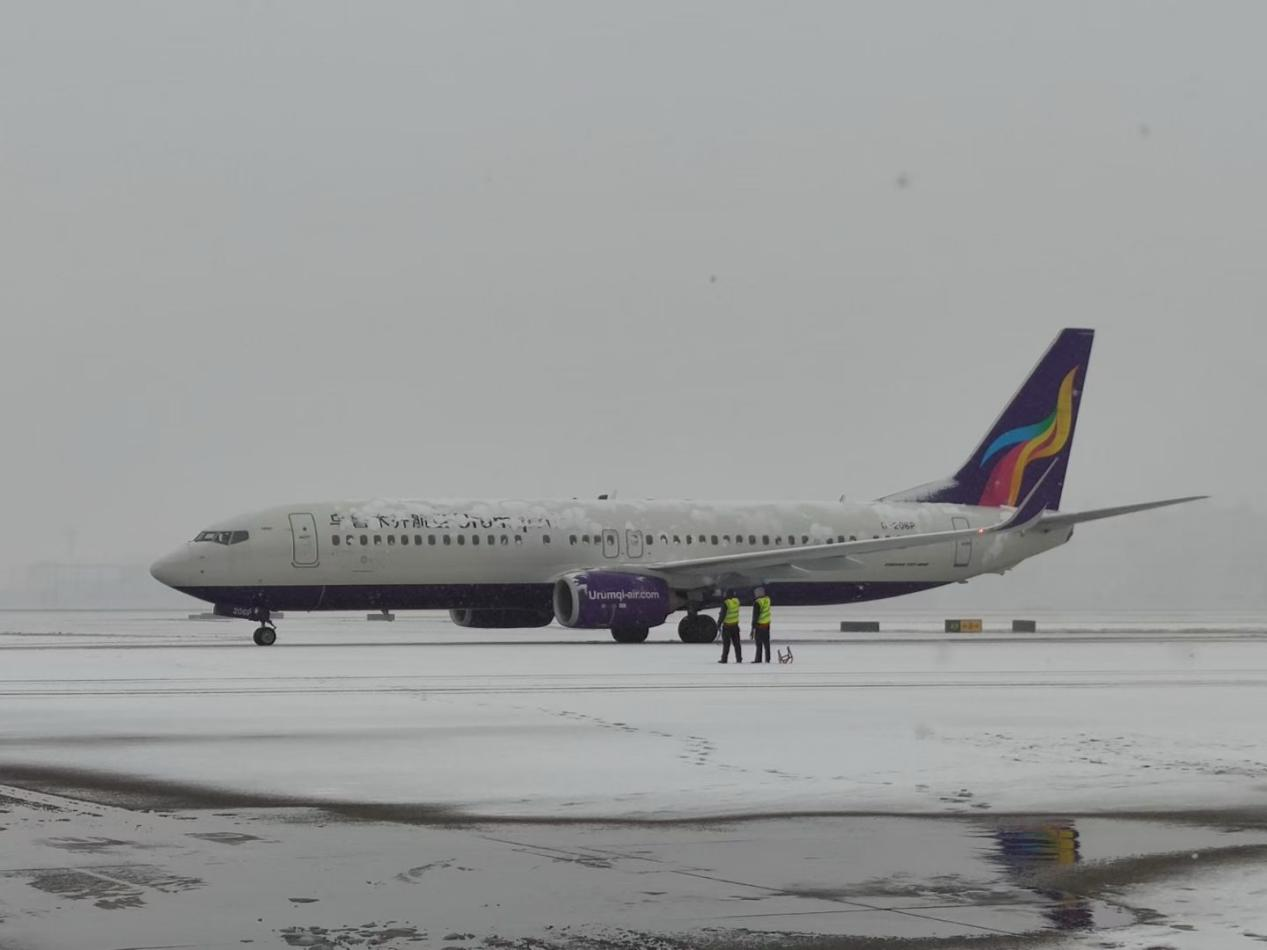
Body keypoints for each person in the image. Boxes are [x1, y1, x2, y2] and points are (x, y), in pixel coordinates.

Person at [717, 591, 743, 663]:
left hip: (727, 626)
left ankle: (724, 659)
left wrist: (718, 624)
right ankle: (739, 658)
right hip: (735, 625)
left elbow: (722, 615)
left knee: (726, 644)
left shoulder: (726, 603)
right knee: (737, 644)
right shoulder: (737, 601)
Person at [751, 587, 772, 663]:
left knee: (759, 644)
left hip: (759, 626)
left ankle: (758, 659)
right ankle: (768, 659)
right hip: (767, 625)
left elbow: (755, 616)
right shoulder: (767, 600)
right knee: (767, 643)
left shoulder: (758, 602)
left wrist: (753, 628)